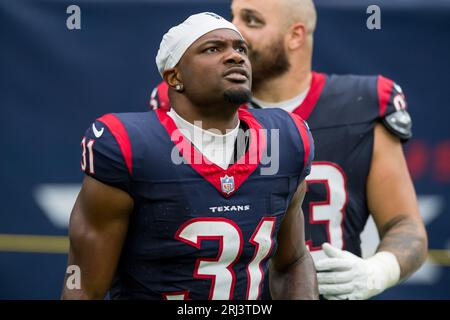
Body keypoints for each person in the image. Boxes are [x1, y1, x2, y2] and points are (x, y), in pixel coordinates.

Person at [150, 1, 428, 300]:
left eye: (252, 21)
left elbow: (405, 224)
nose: (234, 28)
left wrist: (377, 271)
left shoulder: (362, 103)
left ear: (295, 35)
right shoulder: (188, 103)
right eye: (233, 16)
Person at [61, 12, 318, 300]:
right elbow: (84, 286)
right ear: (175, 76)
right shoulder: (128, 146)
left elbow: (293, 260)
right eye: (213, 48)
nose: (235, 56)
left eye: (240, 48)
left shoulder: (286, 139)